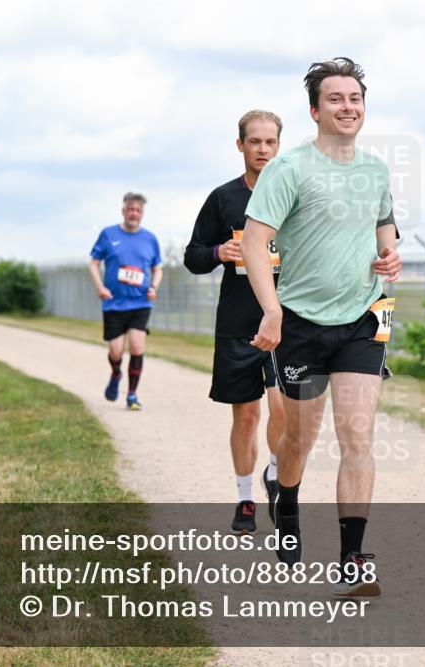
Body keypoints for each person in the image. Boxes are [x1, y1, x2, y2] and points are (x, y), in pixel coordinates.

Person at [241, 58, 401, 597]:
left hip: (363, 317)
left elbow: (384, 228)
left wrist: (389, 257)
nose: (348, 107)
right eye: (336, 99)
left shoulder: (376, 171)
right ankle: (285, 499)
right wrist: (271, 309)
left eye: (355, 98)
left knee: (358, 434)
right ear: (315, 110)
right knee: (300, 438)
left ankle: (352, 558)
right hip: (302, 324)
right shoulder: (290, 170)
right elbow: (256, 243)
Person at [184, 110, 287, 535]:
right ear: (240, 145)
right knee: (245, 416)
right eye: (255, 142)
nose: (263, 149)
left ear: (280, 146)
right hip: (237, 321)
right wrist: (217, 254)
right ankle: (245, 498)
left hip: (285, 322)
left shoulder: (292, 195)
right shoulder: (223, 198)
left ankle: (278, 475)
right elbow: (193, 256)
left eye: (270, 142)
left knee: (283, 408)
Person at [89, 192, 163, 411]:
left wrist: (154, 287)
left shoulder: (150, 239)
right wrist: (100, 287)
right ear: (123, 211)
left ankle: (132, 394)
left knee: (137, 346)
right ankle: (116, 373)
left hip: (140, 303)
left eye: (138, 210)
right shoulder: (108, 234)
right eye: (130, 209)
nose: (134, 213)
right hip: (113, 303)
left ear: (142, 214)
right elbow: (93, 264)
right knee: (116, 351)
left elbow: (157, 268)